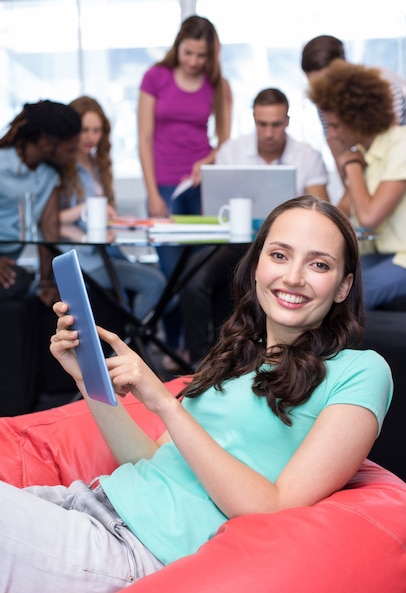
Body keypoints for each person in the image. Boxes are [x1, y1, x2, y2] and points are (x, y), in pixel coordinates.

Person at [1, 195, 393, 593]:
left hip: (136, 550)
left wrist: (165, 405)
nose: (293, 277)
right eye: (279, 255)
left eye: (319, 265)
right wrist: (86, 377)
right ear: (257, 265)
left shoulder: (360, 372)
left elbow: (276, 509)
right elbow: (153, 459)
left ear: (343, 286)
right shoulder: (236, 356)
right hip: (90, 502)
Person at [181, 87, 329, 368]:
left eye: (276, 124)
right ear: (253, 120)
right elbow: (213, 209)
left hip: (288, 248)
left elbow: (321, 209)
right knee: (194, 280)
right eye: (262, 124)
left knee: (245, 281)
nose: (269, 132)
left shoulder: (307, 155)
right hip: (234, 244)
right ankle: (201, 365)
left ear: (287, 120)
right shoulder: (232, 151)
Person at [138, 14, 232, 356]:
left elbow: (225, 142)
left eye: (201, 55)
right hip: (164, 186)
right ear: (177, 47)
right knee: (171, 277)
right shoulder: (155, 77)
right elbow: (144, 137)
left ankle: (197, 354)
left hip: (201, 186)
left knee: (199, 274)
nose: (194, 61)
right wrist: (151, 193)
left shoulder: (218, 85)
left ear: (212, 55)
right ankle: (171, 348)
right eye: (188, 53)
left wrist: (208, 160)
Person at [308, 59, 406, 309]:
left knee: (345, 295)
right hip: (381, 254)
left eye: (335, 126)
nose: (331, 135)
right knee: (323, 281)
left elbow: (369, 217)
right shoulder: (369, 152)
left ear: (357, 118)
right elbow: (342, 211)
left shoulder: (403, 144)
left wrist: (352, 166)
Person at [59, 96, 166, 323]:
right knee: (155, 283)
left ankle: (132, 340)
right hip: (84, 259)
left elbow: (98, 216)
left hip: (106, 252)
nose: (91, 137)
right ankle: (128, 343)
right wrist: (86, 208)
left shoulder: (97, 165)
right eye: (85, 130)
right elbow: (54, 220)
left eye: (97, 130)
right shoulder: (61, 168)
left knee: (167, 286)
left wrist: (117, 220)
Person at [0, 100, 81, 306]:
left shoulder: (49, 175)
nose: (74, 156)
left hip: (10, 266)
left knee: (30, 286)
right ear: (47, 144)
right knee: (18, 281)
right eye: (71, 149)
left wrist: (45, 282)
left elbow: (49, 226)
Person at [301, 34, 406, 165]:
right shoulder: (323, 96)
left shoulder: (379, 82)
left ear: (344, 65)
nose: (323, 89)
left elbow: (387, 136)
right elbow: (334, 142)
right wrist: (347, 180)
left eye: (327, 81)